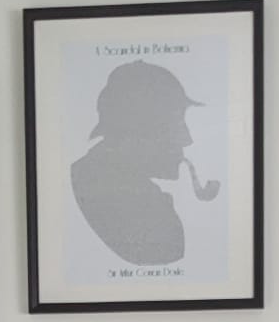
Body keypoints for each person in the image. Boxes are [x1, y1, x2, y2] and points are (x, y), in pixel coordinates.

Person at [71, 60, 202, 266]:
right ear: (135, 129)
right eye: (172, 124)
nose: (186, 139)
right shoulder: (126, 201)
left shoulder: (104, 180)